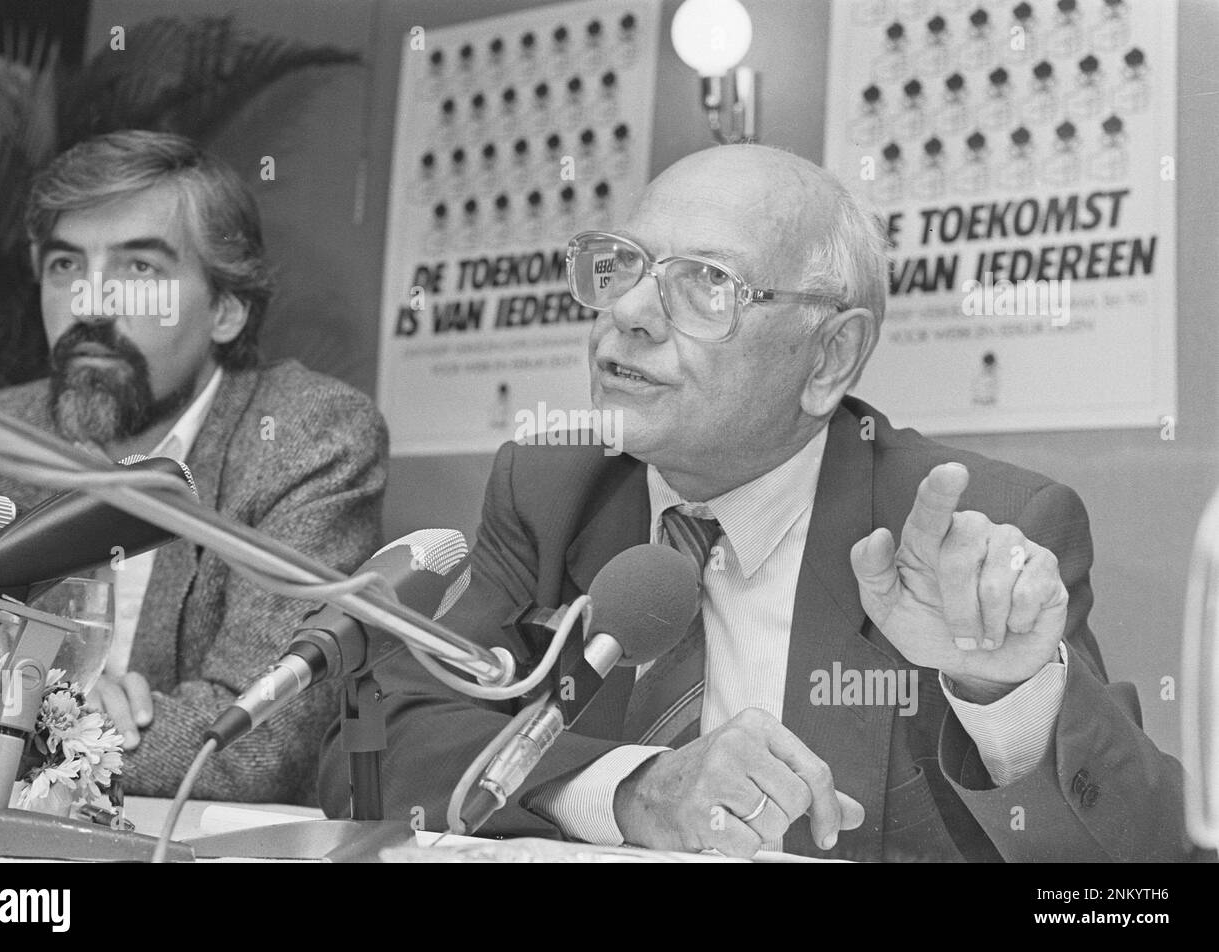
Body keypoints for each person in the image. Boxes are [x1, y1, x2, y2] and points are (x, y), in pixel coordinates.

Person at [318, 144, 1189, 861]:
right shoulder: (551, 490)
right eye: (622, 266)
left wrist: (1005, 696)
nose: (628, 312)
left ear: (828, 359)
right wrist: (633, 790)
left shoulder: (972, 530)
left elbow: (1139, 874)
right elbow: (376, 749)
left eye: (704, 282)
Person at [0, 131, 387, 805]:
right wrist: (66, 718)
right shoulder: (4, 430)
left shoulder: (308, 437)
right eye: (65, 265)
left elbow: (254, 741)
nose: (89, 305)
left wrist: (42, 724)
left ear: (226, 310)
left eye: (139, 269)